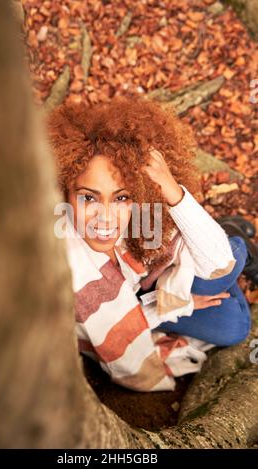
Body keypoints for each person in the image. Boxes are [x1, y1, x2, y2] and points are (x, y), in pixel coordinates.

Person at [47, 95, 257, 392]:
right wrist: (174, 305)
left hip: (154, 281)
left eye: (121, 197)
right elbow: (114, 330)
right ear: (63, 191)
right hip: (147, 303)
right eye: (88, 197)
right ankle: (229, 238)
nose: (105, 218)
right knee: (235, 326)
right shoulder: (64, 262)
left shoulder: (144, 214)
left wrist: (172, 191)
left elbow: (218, 262)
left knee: (227, 255)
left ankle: (232, 239)